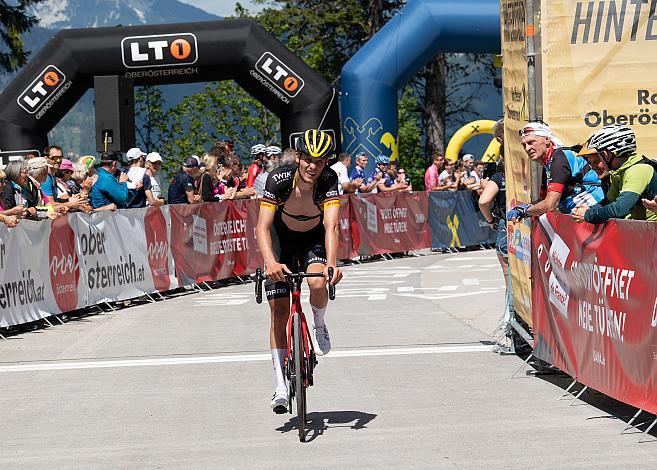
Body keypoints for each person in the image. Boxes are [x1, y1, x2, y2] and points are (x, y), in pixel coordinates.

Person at [256, 129, 343, 413]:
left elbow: (331, 226)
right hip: (281, 240)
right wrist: (270, 261)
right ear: (298, 157)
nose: (313, 167)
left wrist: (332, 263)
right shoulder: (278, 179)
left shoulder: (329, 180)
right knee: (279, 311)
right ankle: (280, 386)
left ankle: (319, 323)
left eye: (319, 161)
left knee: (318, 284)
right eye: (308, 160)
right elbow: (262, 227)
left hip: (311, 239)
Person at [507, 122, 604, 222]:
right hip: (583, 213)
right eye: (524, 145)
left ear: (547, 140)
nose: (527, 148)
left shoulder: (558, 159)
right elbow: (545, 199)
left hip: (592, 209)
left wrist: (525, 211)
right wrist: (525, 208)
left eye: (531, 142)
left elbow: (550, 205)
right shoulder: (549, 162)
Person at [571, 125, 657, 224]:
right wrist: (589, 209)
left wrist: (588, 215)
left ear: (606, 154)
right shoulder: (619, 172)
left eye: (599, 155)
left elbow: (620, 208)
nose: (593, 165)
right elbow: (608, 202)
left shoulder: (638, 170)